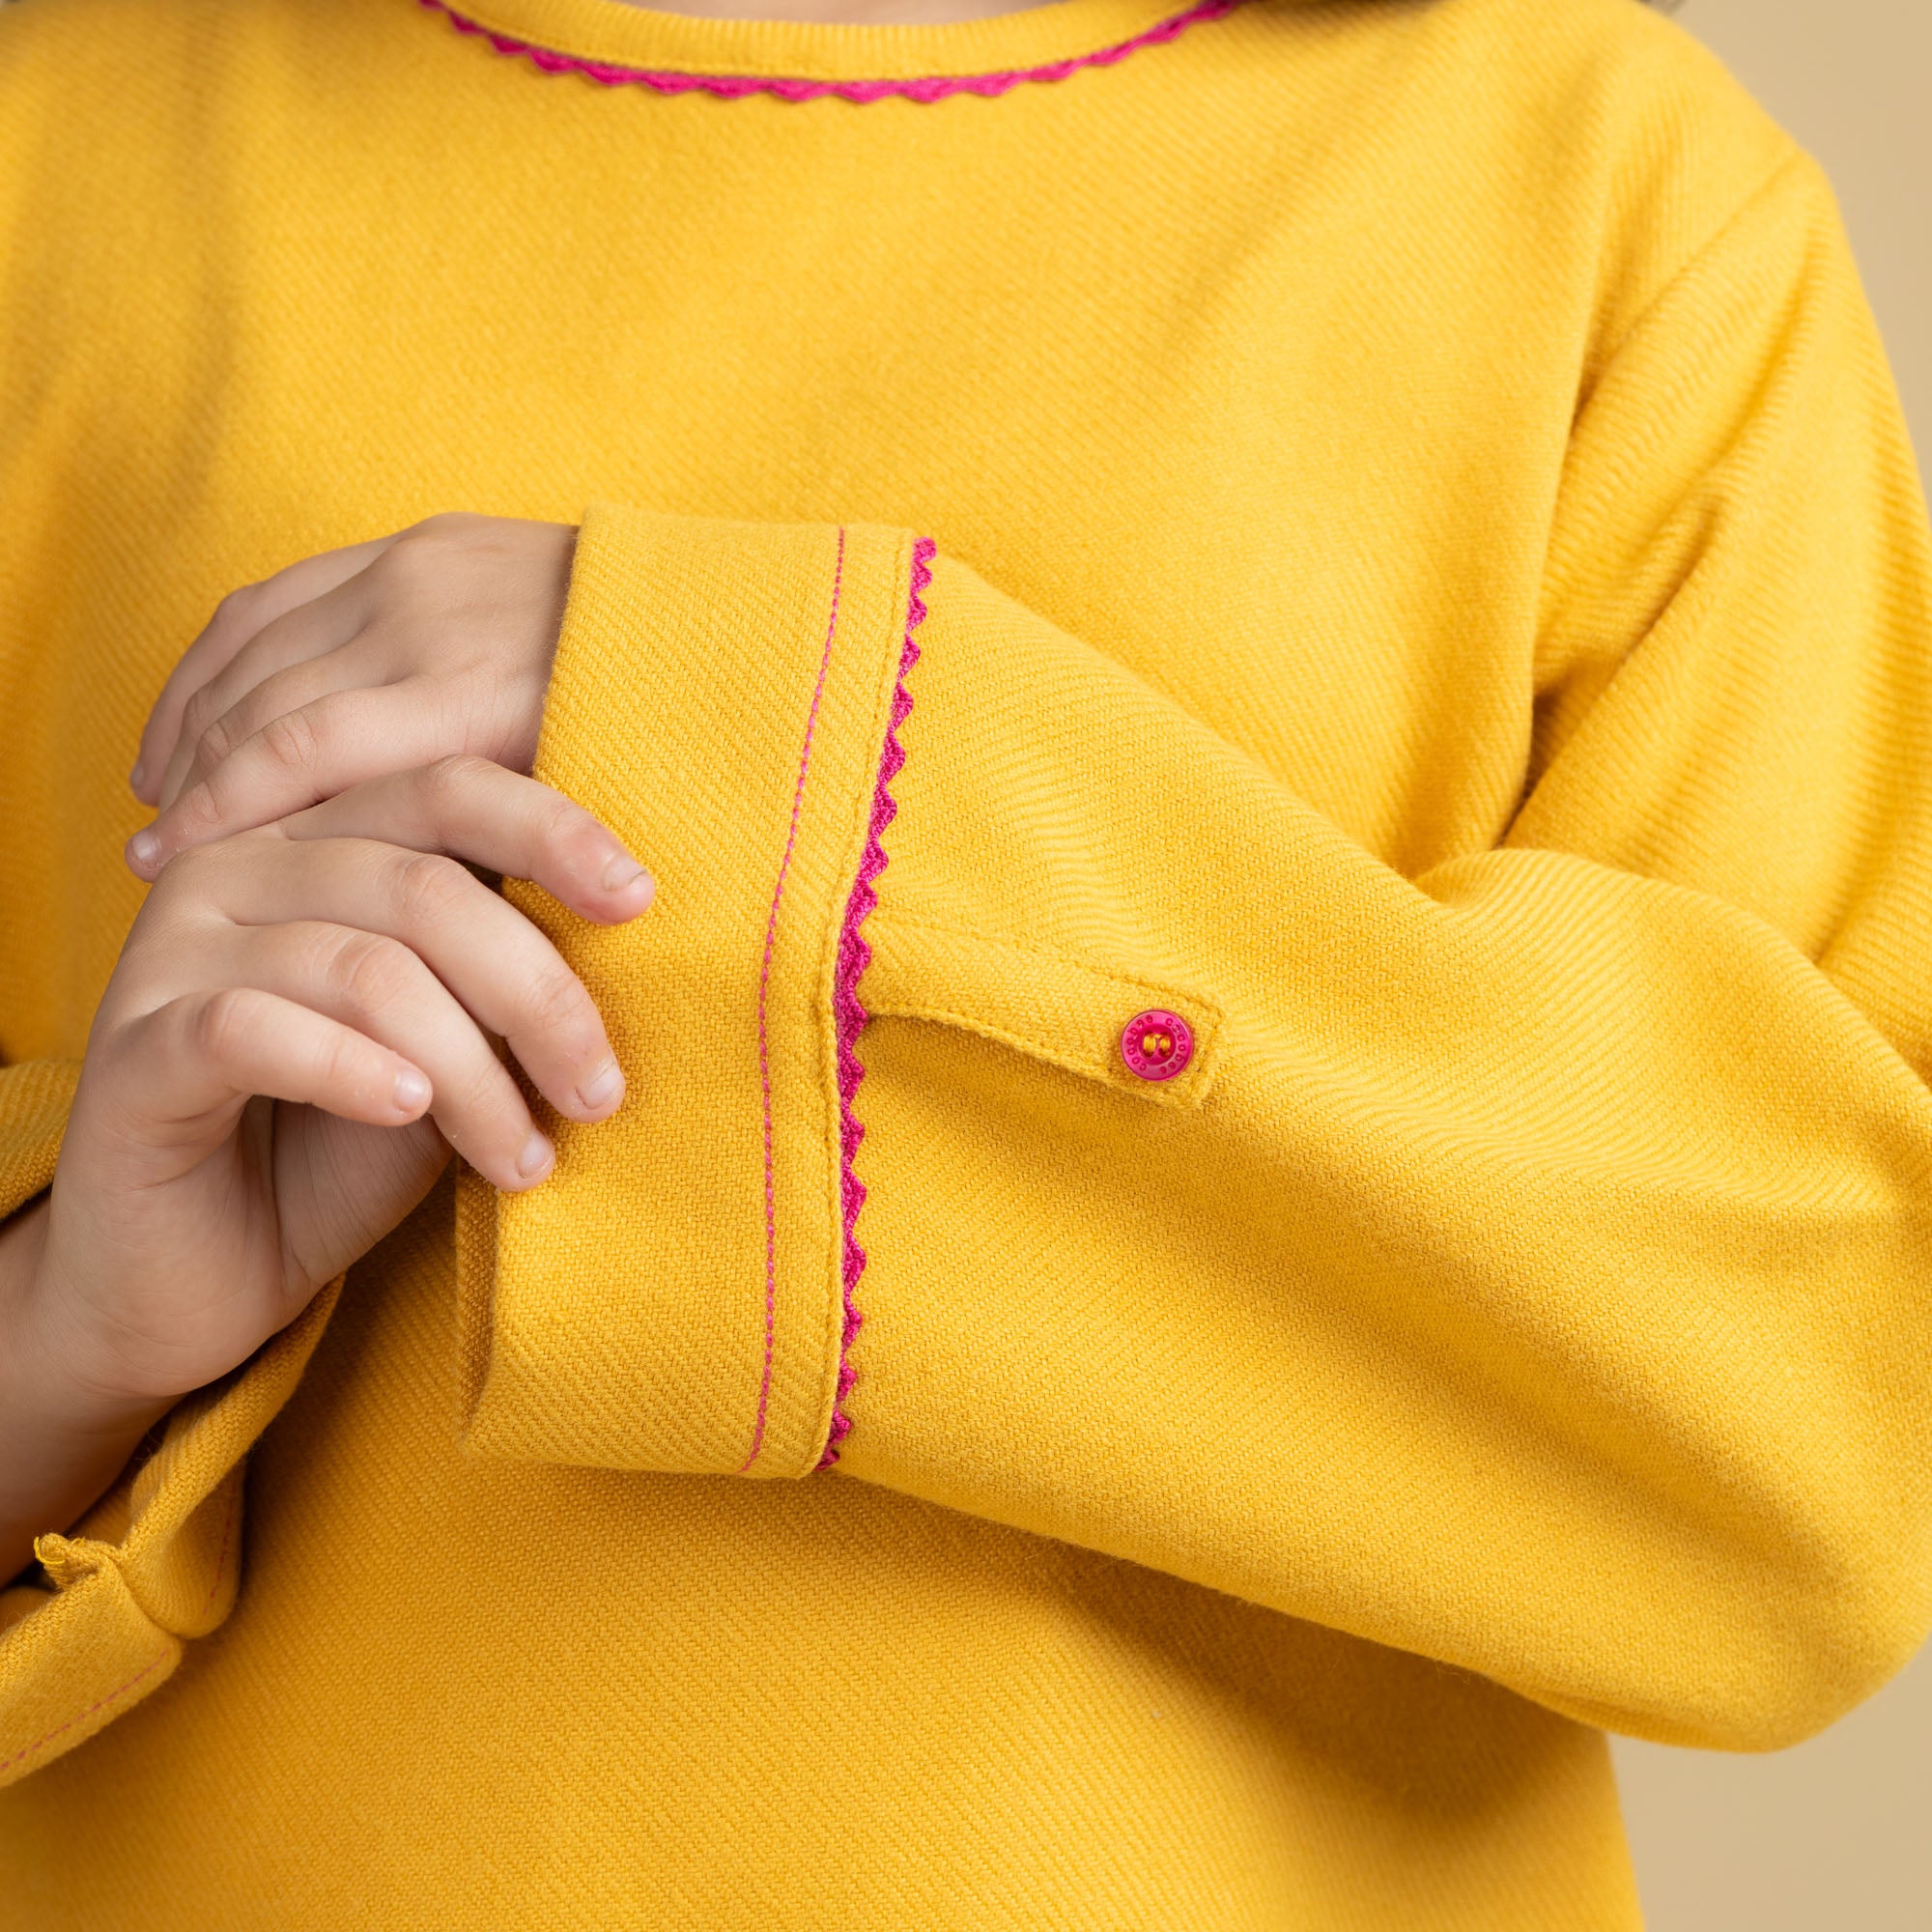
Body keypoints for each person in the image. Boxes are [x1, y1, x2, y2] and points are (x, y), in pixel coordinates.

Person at [1, 0, 1928, 1921]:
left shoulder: (1592, 176)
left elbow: (1815, 1446)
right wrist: (64, 1338)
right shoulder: (54, 147)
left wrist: (755, 745)